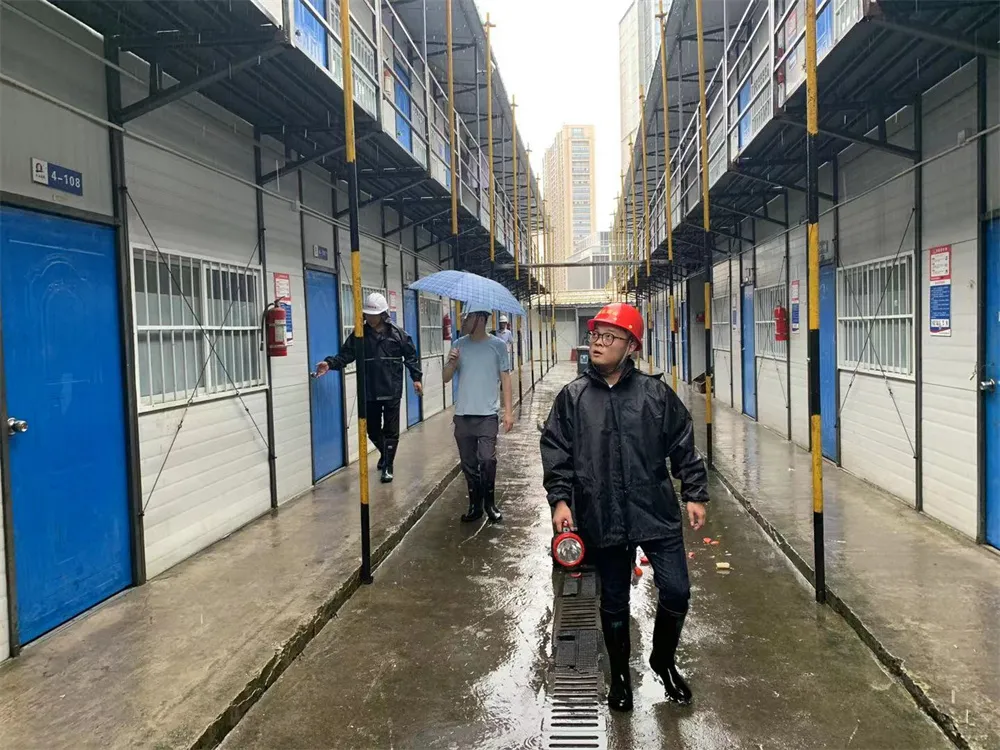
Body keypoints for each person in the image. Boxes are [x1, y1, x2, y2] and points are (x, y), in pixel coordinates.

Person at [539, 302, 709, 712]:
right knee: (613, 600)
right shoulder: (573, 397)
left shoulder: (655, 394)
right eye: (595, 334)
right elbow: (556, 451)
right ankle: (618, 677)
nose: (597, 342)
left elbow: (682, 442)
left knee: (677, 591)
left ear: (631, 346)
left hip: (654, 511)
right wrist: (560, 500)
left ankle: (663, 661)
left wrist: (694, 492)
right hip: (602, 514)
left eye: (608, 336)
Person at [314, 292, 422, 483]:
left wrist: (416, 378)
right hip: (369, 389)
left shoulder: (398, 334)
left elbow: (411, 356)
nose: (370, 318)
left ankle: (388, 466)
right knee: (372, 430)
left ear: (383, 314)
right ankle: (386, 454)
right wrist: (329, 364)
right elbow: (346, 355)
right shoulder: (359, 334)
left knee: (391, 430)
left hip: (392, 388)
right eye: (368, 314)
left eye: (374, 314)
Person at [443, 303, 515, 523]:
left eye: (467, 317)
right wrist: (452, 362)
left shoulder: (498, 346)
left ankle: (489, 503)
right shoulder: (458, 345)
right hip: (463, 415)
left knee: (487, 460)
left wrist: (508, 412)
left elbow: (505, 379)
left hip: (487, 415)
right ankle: (474, 505)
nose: (463, 321)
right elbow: (445, 377)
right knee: (468, 464)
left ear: (480, 319)